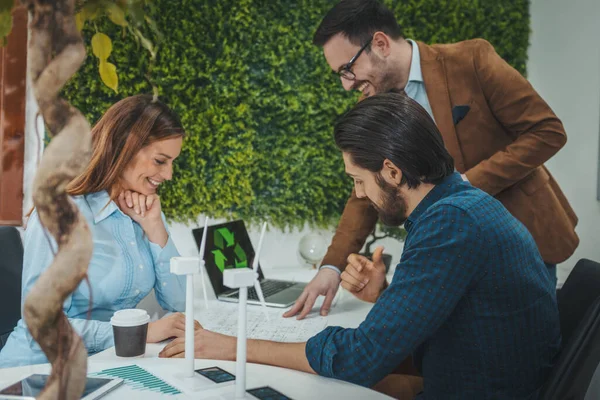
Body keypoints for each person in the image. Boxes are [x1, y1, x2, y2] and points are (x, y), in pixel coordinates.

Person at [160, 92, 561, 399]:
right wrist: (382, 298)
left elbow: (359, 359)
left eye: (358, 179)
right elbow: (450, 316)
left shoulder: (451, 223)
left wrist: (232, 346)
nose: (359, 193)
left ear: (391, 169)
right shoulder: (462, 206)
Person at [284, 0, 578, 320]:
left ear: (380, 43)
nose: (346, 83)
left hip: (524, 235)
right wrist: (331, 266)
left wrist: (464, 187)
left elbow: (547, 131)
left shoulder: (472, 60)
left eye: (347, 68)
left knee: (517, 349)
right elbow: (367, 190)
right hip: (451, 252)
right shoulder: (372, 105)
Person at [0, 94, 199, 368]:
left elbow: (178, 303)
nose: (168, 175)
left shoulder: (144, 211)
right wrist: (139, 333)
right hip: (36, 371)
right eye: (160, 161)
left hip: (103, 364)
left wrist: (155, 227)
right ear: (125, 148)